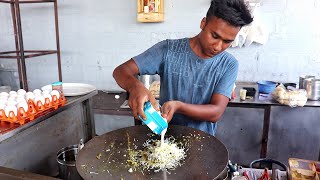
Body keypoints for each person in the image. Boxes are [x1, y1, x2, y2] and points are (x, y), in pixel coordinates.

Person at [113, 0, 253, 136]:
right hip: (165, 137)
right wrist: (135, 87)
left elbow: (216, 112)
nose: (217, 47)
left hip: (203, 142)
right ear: (203, 23)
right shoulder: (168, 50)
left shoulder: (228, 64)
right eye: (214, 36)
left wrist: (179, 106)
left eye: (227, 41)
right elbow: (121, 71)